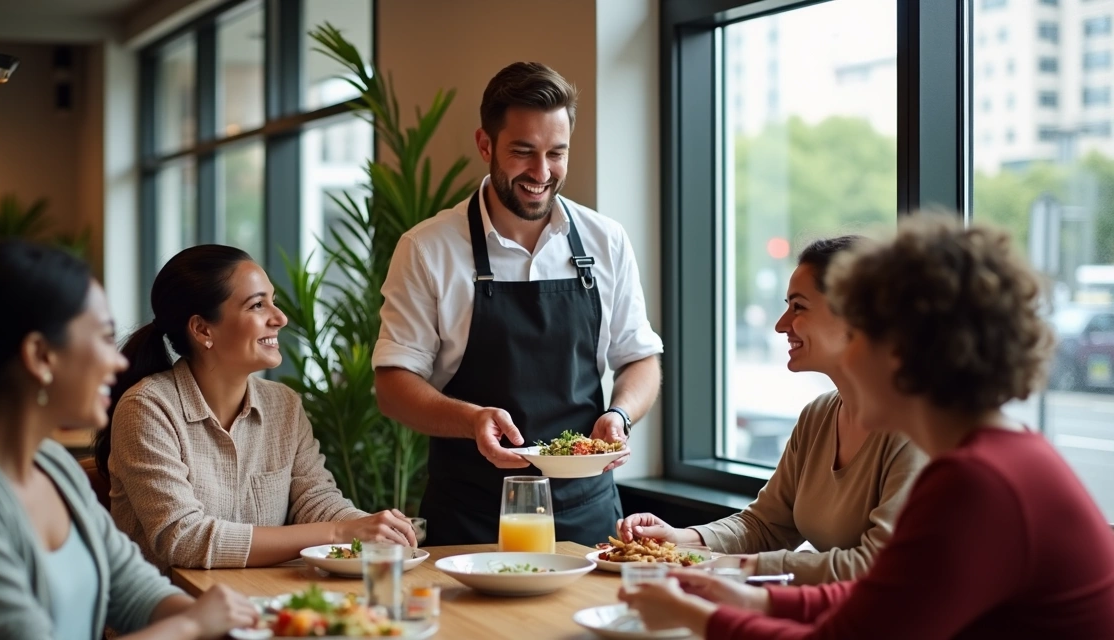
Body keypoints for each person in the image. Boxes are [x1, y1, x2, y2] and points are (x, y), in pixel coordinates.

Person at [618, 215, 1114, 638]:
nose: (850, 357)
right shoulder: (994, 456)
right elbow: (882, 599)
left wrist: (702, 617)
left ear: (904, 350)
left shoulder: (976, 480)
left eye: (860, 336)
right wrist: (751, 600)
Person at [0, 241, 257, 639]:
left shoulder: (52, 465)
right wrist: (193, 623)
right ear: (40, 355)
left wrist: (228, 625)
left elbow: (135, 591)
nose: (118, 360)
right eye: (103, 338)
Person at [372, 61, 664, 547]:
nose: (541, 172)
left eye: (556, 153)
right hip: (470, 517)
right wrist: (471, 421)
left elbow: (639, 358)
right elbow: (393, 385)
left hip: (586, 515)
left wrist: (621, 416)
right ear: (485, 145)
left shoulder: (605, 240)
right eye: (523, 152)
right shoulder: (428, 248)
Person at [618, 237, 928, 584]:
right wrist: (681, 538)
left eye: (799, 307)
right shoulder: (819, 415)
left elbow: (878, 567)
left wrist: (748, 569)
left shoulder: (913, 428)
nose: (781, 324)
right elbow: (765, 525)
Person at [98, 245, 415, 572]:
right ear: (203, 329)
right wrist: (339, 532)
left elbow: (315, 501)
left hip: (268, 604)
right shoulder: (147, 408)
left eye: (273, 301)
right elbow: (184, 538)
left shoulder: (284, 405)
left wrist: (374, 527)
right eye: (257, 305)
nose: (280, 318)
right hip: (177, 615)